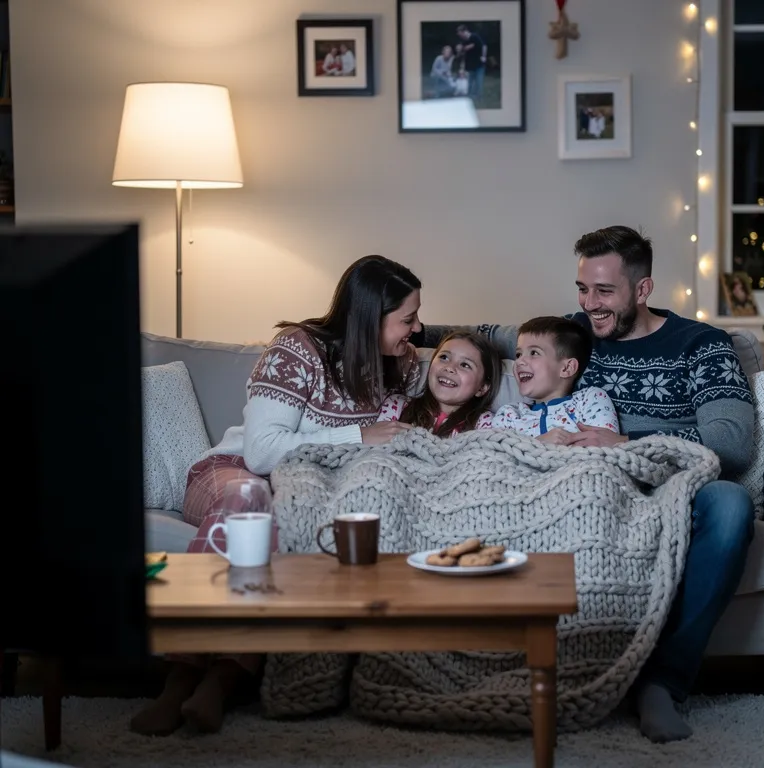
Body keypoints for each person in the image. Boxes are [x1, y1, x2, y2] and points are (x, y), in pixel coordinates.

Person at [411, 226, 755, 743]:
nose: (589, 304)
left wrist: (622, 440)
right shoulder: (573, 332)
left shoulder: (702, 345)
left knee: (731, 506)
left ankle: (662, 683)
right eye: (582, 289)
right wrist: (402, 331)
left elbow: (731, 443)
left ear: (643, 290)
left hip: (665, 477)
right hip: (582, 485)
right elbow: (488, 336)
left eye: (604, 292)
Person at [130, 255, 423, 737]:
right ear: (371, 318)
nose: (416, 328)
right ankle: (179, 677)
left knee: (289, 517)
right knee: (250, 502)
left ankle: (221, 681)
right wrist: (359, 437)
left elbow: (457, 362)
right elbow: (262, 453)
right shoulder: (296, 350)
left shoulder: (395, 361)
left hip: (296, 490)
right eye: (407, 319)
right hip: (232, 472)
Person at [488, 316, 619, 443]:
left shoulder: (589, 400)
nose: (519, 361)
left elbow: (603, 448)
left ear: (566, 368)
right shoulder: (510, 415)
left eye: (534, 353)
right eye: (518, 354)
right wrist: (539, 443)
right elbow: (493, 456)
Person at [376, 331, 501, 436]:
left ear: (482, 388)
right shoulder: (397, 405)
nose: (449, 367)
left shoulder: (485, 423)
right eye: (444, 357)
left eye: (465, 365)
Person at [456, 24, 487, 99]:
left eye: (461, 34)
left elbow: (484, 46)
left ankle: (479, 96)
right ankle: (469, 96)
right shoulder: (463, 41)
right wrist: (460, 50)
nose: (460, 36)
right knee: (470, 81)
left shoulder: (474, 37)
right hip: (470, 64)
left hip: (478, 63)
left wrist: (483, 56)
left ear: (465, 31)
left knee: (479, 81)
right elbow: (461, 52)